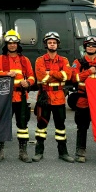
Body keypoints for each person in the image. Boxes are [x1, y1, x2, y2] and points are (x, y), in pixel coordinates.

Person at [0, 29, 35, 163]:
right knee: (2, 124)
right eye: (9, 43)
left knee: (22, 125)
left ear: (18, 44)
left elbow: (32, 76)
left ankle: (23, 152)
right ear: (6, 45)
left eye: (14, 43)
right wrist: (6, 74)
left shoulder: (24, 60)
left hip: (20, 97)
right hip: (5, 98)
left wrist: (28, 82)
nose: (12, 45)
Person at [33, 31, 74, 163]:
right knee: (41, 125)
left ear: (58, 44)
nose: (52, 44)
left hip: (59, 97)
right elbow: (41, 77)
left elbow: (67, 76)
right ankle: (38, 152)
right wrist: (58, 73)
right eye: (50, 42)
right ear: (46, 44)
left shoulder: (64, 60)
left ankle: (63, 153)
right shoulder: (40, 60)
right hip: (44, 96)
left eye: (54, 42)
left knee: (60, 126)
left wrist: (50, 73)